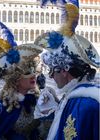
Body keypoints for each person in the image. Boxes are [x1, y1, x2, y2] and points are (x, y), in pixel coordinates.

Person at [34, 0, 100, 140]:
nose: (51, 76)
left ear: (64, 70)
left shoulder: (84, 102)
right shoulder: (76, 96)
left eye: (52, 70)